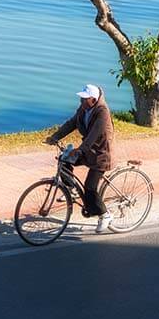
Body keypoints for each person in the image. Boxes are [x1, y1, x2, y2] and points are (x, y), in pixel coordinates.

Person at [45, 84, 115, 233]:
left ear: (93, 99)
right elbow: (72, 124)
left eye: (84, 99)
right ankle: (71, 189)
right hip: (87, 151)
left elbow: (92, 137)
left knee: (90, 187)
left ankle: (105, 215)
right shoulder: (84, 109)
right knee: (63, 161)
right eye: (80, 98)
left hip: (101, 155)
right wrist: (55, 136)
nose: (81, 101)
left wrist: (78, 151)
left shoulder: (103, 113)